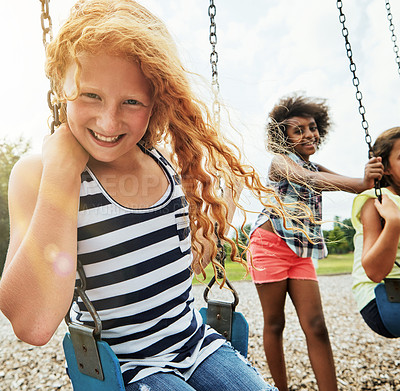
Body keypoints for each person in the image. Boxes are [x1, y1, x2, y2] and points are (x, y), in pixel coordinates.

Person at [0, 1, 290, 390]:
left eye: (131, 101)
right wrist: (62, 172)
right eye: (90, 95)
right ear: (60, 87)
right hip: (128, 369)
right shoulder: (36, 175)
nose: (108, 121)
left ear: (156, 101)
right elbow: (31, 324)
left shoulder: (164, 166)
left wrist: (226, 207)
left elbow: (178, 269)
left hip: (195, 344)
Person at [247, 94, 384, 391]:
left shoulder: (316, 166)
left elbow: (350, 184)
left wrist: (375, 177)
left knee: (317, 327)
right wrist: (361, 183)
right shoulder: (281, 162)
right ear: (284, 139)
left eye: (312, 127)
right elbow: (309, 180)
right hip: (269, 246)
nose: (309, 134)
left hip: (300, 251)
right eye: (298, 130)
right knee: (275, 323)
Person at [351, 126, 400, 339]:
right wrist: (394, 222)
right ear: (386, 168)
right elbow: (374, 272)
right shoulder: (377, 200)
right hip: (381, 297)